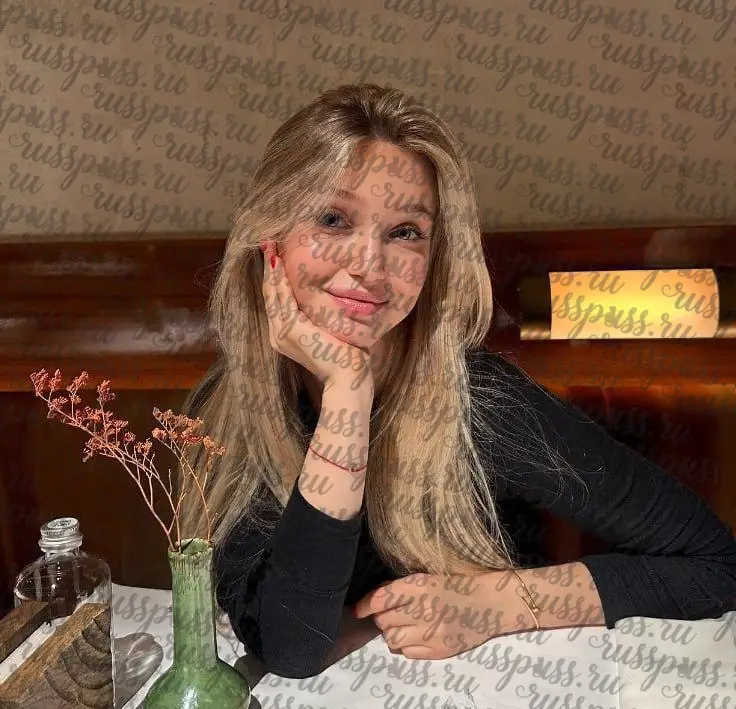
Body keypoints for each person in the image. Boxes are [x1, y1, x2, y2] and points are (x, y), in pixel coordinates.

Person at [180, 82, 736, 679]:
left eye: (405, 232)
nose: (369, 266)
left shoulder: (482, 403)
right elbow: (291, 648)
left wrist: (498, 604)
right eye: (333, 219)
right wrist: (347, 392)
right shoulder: (227, 408)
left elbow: (716, 566)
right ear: (271, 242)